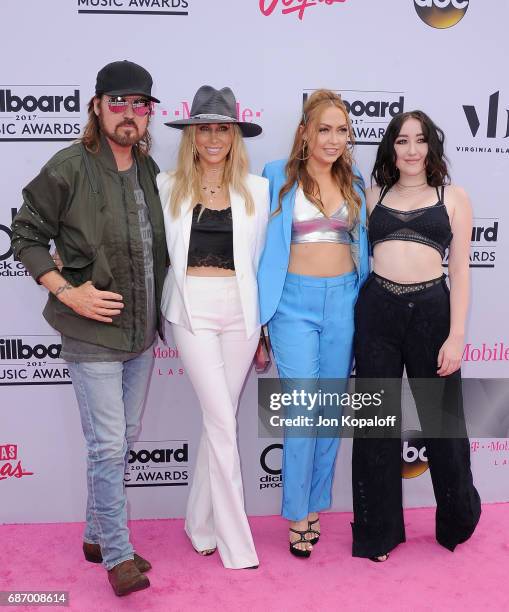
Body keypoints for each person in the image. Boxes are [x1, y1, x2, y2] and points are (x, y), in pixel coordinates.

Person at [11, 60, 167, 596]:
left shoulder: (149, 170)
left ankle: (96, 534)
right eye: (117, 102)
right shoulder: (69, 166)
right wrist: (65, 290)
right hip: (90, 334)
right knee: (106, 446)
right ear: (97, 106)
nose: (129, 114)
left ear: (149, 114)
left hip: (141, 336)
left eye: (139, 105)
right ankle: (118, 557)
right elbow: (25, 235)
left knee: (120, 441)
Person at [351, 110, 481, 562]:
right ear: (390, 146)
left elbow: (461, 271)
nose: (411, 150)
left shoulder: (453, 198)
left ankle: (457, 520)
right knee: (375, 427)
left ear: (431, 147)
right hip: (377, 313)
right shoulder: (371, 196)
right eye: (402, 140)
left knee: (444, 426)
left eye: (420, 140)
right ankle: (377, 533)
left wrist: (457, 336)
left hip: (432, 314)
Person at [157, 85, 269, 569]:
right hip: (191, 310)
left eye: (223, 127)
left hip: (240, 312)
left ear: (234, 134)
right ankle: (237, 544)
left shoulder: (258, 190)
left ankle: (198, 523)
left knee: (217, 421)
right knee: (223, 424)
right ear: (192, 135)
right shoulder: (167, 186)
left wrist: (262, 327)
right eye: (205, 128)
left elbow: (259, 260)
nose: (214, 137)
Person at [257, 89, 369, 557]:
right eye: (324, 129)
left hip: (344, 302)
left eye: (342, 130)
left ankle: (317, 500)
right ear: (305, 130)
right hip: (292, 307)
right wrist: (260, 322)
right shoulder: (273, 177)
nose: (333, 139)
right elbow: (255, 247)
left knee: (330, 411)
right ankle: (297, 512)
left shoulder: (355, 181)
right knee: (302, 408)